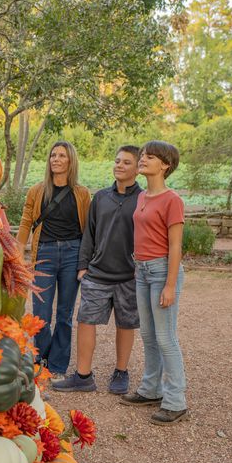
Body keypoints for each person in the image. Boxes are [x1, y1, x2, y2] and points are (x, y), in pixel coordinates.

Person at [54, 145, 142, 394]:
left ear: (137, 168)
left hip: (129, 276)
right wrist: (83, 266)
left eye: (126, 162)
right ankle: (83, 376)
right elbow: (89, 234)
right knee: (85, 321)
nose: (119, 166)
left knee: (126, 324)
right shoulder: (101, 197)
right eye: (117, 161)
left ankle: (121, 371)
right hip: (97, 274)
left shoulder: (143, 199)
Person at [120, 140, 189, 426]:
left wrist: (170, 285)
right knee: (148, 335)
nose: (143, 159)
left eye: (150, 157)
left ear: (165, 165)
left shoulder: (172, 200)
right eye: (143, 155)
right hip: (142, 271)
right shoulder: (142, 197)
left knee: (166, 338)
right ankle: (151, 389)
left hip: (162, 271)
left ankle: (176, 401)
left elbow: (175, 246)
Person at [16, 141, 90, 381]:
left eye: (62, 156)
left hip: (72, 253)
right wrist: (18, 254)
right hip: (44, 254)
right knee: (41, 314)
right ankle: (42, 361)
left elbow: (88, 229)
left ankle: (57, 366)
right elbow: (27, 222)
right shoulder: (37, 191)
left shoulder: (81, 193)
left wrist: (85, 262)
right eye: (53, 155)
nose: (56, 159)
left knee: (65, 314)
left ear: (71, 161)